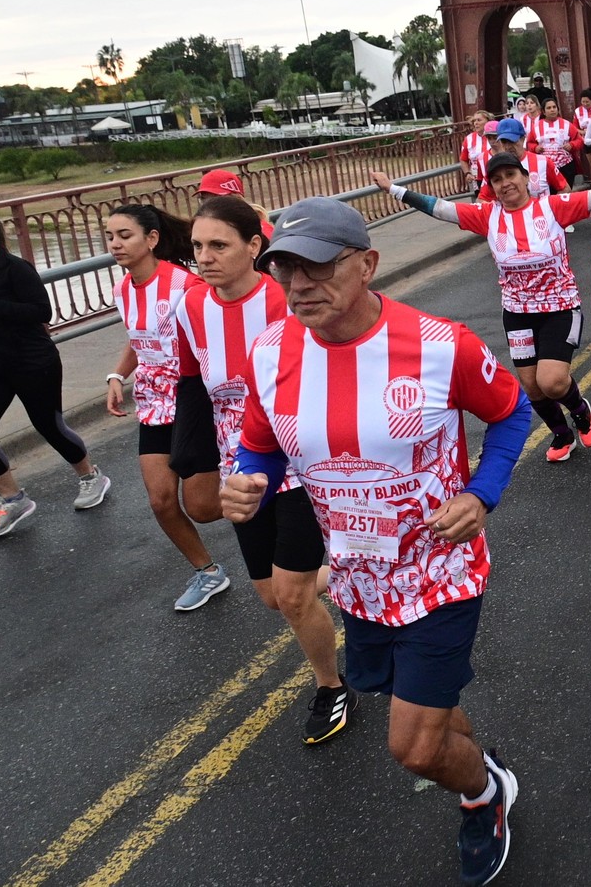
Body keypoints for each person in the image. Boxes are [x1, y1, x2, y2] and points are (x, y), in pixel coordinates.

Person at [222, 196, 532, 887]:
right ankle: (485, 769)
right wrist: (246, 481)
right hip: (358, 580)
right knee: (430, 715)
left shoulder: (439, 344)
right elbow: (259, 445)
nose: (300, 285)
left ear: (367, 264)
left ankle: (484, 796)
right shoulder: (270, 351)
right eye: (285, 271)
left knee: (412, 748)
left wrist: (481, 494)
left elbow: (513, 413)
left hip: (440, 574)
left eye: (318, 267)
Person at [173, 194, 353, 743]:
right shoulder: (189, 307)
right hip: (242, 470)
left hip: (300, 462)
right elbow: (191, 386)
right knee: (274, 596)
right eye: (198, 246)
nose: (204, 257)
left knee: (294, 596)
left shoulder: (288, 300)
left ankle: (330, 687)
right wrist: (195, 463)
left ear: (255, 247)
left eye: (219, 245)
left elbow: (336, 360)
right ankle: (352, 573)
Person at [375, 154, 591, 462]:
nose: (505, 183)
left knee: (551, 381)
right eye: (497, 180)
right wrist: (394, 189)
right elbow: (440, 208)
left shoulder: (551, 207)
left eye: (511, 175)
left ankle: (581, 412)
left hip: (559, 307)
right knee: (532, 387)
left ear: (526, 178)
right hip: (517, 313)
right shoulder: (487, 216)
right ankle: (562, 435)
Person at [104, 204, 230, 611]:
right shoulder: (123, 289)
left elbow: (216, 337)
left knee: (204, 507)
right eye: (110, 237)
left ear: (151, 239)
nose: (116, 244)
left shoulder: (187, 286)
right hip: (152, 403)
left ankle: (275, 502)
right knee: (160, 501)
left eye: (125, 235)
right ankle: (208, 572)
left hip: (193, 400)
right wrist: (116, 376)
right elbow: (139, 339)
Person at [0, 208, 111, 538]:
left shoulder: (13, 268)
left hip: (32, 361)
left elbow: (42, 311)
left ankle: (90, 476)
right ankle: (13, 499)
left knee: (48, 425)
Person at [489, 118, 568, 201]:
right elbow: (483, 199)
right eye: (504, 142)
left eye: (512, 141)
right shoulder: (494, 166)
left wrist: (549, 207)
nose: (508, 147)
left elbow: (565, 188)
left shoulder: (543, 162)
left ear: (523, 139)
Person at [528, 97, 583, 191]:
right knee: (551, 193)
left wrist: (572, 145)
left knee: (566, 192)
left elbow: (579, 140)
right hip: (546, 166)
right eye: (549, 108)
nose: (552, 109)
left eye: (554, 107)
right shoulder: (536, 127)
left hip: (566, 166)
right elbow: (529, 143)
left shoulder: (567, 124)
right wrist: (535, 148)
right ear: (543, 112)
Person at [458, 111, 494, 201]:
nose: (476, 123)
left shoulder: (494, 136)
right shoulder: (469, 139)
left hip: (494, 175)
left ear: (487, 121)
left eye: (479, 120)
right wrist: (467, 173)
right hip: (477, 178)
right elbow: (463, 159)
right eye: (474, 121)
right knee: (482, 203)